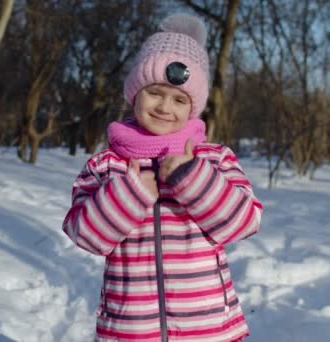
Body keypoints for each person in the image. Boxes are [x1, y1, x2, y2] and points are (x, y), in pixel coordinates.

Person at [62, 14, 263, 342]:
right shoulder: (107, 165)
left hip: (209, 331)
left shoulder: (214, 159)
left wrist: (194, 179)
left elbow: (245, 221)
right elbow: (84, 235)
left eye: (179, 99)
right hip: (130, 331)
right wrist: (128, 195)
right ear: (135, 93)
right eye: (155, 92)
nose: (165, 107)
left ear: (193, 107)